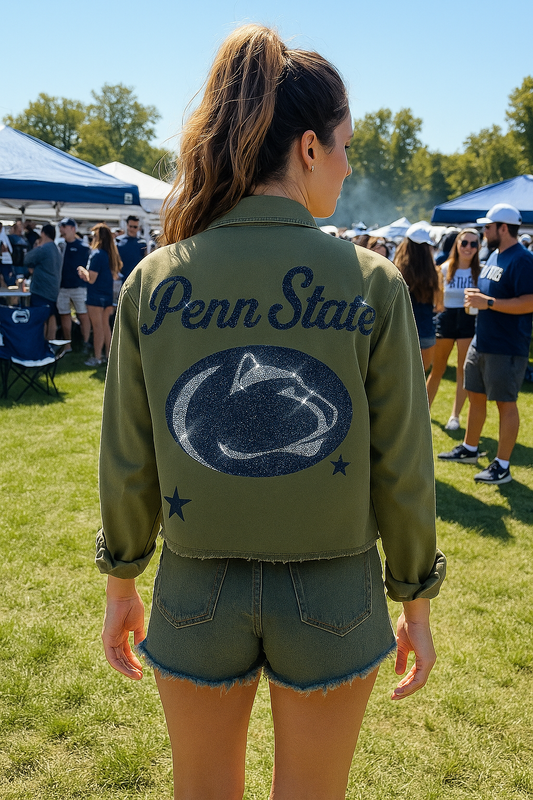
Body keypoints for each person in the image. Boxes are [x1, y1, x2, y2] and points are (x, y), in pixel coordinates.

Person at [97, 25, 445, 800]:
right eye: (346, 147)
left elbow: (129, 456)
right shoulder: (371, 282)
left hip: (194, 591)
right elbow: (403, 466)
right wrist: (414, 597)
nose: (350, 167)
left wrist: (122, 582)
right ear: (311, 148)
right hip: (333, 593)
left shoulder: (153, 280)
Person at [438, 203, 533, 484]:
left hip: (506, 346)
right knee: (475, 394)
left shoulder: (522, 259)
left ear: (503, 228)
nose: (483, 231)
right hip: (483, 341)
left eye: (488, 227)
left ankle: (502, 466)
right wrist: (479, 297)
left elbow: (529, 301)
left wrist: (488, 302)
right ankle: (470, 448)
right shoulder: (494, 254)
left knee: (506, 404)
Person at [426, 229, 481, 429]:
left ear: (478, 247)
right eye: (464, 242)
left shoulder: (480, 271)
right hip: (446, 319)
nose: (468, 247)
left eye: (473, 244)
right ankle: (424, 411)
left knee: (463, 371)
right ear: (457, 244)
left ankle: (455, 416)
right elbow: (436, 301)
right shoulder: (443, 269)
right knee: (437, 369)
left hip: (468, 321)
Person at [394, 222, 439, 370]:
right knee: (421, 382)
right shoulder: (433, 273)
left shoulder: (397, 272)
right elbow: (439, 304)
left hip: (401, 331)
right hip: (426, 330)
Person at [77, 223, 121, 367]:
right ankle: (108, 356)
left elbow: (92, 278)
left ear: (99, 238)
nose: (92, 238)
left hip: (96, 296)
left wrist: (82, 271)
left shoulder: (97, 254)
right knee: (105, 327)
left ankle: (97, 358)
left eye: (94, 236)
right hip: (108, 296)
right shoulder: (111, 254)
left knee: (97, 329)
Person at [56, 218, 91, 353]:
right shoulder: (60, 247)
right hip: (62, 287)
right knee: (64, 315)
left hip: (79, 287)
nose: (61, 230)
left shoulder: (84, 247)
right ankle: (67, 345)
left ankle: (86, 343)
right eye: (60, 227)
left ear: (73, 229)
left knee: (83, 315)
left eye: (64, 227)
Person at [24, 223, 62, 340]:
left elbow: (26, 259)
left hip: (41, 290)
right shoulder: (57, 249)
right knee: (51, 316)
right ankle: (50, 343)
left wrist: (36, 246)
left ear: (43, 233)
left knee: (40, 319)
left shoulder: (44, 248)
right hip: (53, 290)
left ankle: (40, 343)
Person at [115, 216, 147, 281]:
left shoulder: (142, 243)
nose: (132, 229)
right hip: (121, 277)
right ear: (127, 225)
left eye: (135, 227)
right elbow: (114, 258)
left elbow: (145, 259)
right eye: (130, 226)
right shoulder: (119, 241)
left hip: (137, 278)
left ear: (138, 228)